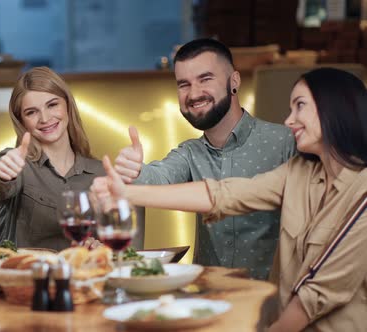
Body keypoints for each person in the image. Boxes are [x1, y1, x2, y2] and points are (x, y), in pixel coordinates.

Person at [93, 67, 367, 331]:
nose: (289, 120)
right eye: (183, 83)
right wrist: (126, 191)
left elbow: (314, 295)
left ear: (334, 108)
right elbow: (226, 194)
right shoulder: (300, 172)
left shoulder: (361, 193)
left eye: (300, 106)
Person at [113, 38, 297, 279]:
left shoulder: (285, 142)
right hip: (208, 299)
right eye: (183, 84)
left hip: (273, 302)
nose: (194, 93)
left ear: (234, 81)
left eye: (205, 79)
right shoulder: (189, 153)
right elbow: (158, 178)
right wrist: (134, 170)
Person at [0, 67, 105, 251]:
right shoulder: (15, 163)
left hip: (82, 276)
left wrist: (98, 247)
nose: (44, 118)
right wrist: (4, 175)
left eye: (52, 105)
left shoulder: (100, 173)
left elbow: (111, 244)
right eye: (31, 112)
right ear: (22, 121)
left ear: (67, 105)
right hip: (25, 275)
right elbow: (2, 184)